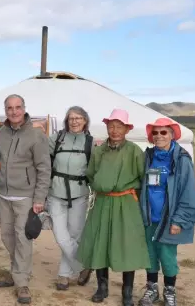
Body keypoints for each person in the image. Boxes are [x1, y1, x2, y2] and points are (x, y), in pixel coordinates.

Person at [75, 108, 150, 306]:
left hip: (126, 202)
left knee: (127, 246)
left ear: (127, 129)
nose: (115, 130)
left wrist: (136, 201)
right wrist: (101, 186)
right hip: (102, 202)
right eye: (111, 126)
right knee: (100, 244)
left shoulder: (134, 150)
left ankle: (127, 293)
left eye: (119, 126)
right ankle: (102, 287)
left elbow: (143, 178)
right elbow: (90, 174)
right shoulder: (99, 151)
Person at [137, 118, 195, 306]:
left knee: (167, 256)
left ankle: (170, 290)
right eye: (155, 133)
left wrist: (179, 220)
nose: (158, 136)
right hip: (148, 216)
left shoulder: (181, 160)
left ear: (172, 135)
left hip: (169, 217)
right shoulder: (147, 156)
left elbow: (188, 192)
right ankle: (151, 289)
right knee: (149, 254)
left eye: (163, 132)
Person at [0, 94, 51, 304]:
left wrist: (39, 198)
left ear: (24, 108)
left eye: (18, 107)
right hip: (4, 195)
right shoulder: (0, 133)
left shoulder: (36, 135)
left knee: (22, 238)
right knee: (6, 235)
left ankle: (22, 282)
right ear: (5, 110)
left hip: (26, 196)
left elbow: (44, 168)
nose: (14, 111)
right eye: (10, 108)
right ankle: (17, 271)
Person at [47, 106, 93, 291]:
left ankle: (64, 275)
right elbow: (42, 157)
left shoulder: (90, 143)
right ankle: (82, 265)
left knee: (74, 235)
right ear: (67, 120)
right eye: (71, 118)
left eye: (78, 118)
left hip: (79, 194)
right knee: (61, 235)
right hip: (56, 193)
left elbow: (95, 168)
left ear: (85, 121)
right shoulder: (57, 138)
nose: (74, 121)